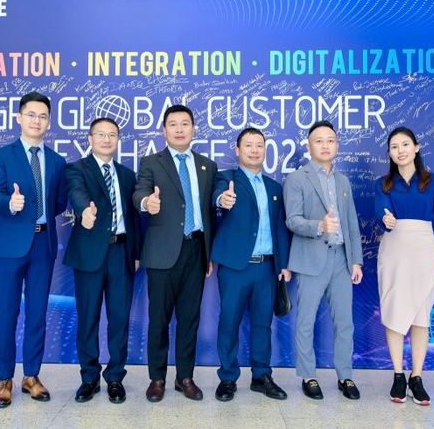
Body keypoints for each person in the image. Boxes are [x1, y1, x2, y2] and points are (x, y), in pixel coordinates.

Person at [0, 91, 68, 408]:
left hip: (43, 244)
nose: (37, 120)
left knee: (37, 313)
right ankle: (4, 378)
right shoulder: (1, 156)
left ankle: (31, 376)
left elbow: (58, 202)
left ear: (49, 122)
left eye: (43, 116)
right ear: (19, 118)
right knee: (7, 312)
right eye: (31, 115)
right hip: (10, 245)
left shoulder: (57, 161)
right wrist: (10, 202)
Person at [132, 104, 217, 402]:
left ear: (193, 129)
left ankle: (185, 377)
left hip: (196, 249)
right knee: (159, 318)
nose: (179, 129)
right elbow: (139, 192)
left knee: (189, 318)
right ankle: (157, 378)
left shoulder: (207, 165)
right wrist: (147, 203)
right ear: (164, 130)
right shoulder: (151, 162)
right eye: (173, 124)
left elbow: (209, 211)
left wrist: (208, 253)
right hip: (162, 252)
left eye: (185, 123)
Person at [283, 120, 363, 401]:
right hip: (310, 259)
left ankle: (345, 376)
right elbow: (292, 220)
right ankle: (309, 376)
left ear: (337, 145)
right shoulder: (296, 179)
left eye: (330, 140)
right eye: (319, 141)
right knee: (306, 321)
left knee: (345, 322)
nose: (325, 145)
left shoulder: (343, 181)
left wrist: (356, 260)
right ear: (309, 146)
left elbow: (351, 223)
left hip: (341, 259)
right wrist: (320, 226)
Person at [64, 117, 141, 404]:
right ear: (90, 139)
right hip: (89, 254)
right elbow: (77, 193)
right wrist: (85, 211)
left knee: (119, 318)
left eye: (112, 135)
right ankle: (89, 378)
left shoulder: (128, 175)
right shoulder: (77, 169)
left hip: (121, 253)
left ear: (118, 140)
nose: (106, 139)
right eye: (100, 134)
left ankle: (115, 377)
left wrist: (136, 253)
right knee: (88, 318)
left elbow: (135, 219)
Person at [211, 127, 291, 402]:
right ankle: (228, 378)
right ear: (238, 150)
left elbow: (280, 228)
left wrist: (283, 264)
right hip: (235, 267)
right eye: (248, 145)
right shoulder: (226, 178)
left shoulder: (275, 188)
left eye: (259, 145)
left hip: (267, 268)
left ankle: (261, 376)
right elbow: (217, 196)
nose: (254, 150)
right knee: (229, 322)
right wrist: (223, 199)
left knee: (262, 324)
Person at [375, 126, 434, 406]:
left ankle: (416, 377)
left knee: (420, 316)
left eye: (405, 144)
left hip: (424, 251)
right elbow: (381, 211)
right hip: (394, 250)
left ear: (416, 148)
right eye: (394, 147)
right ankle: (398, 375)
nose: (400, 151)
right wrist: (387, 220)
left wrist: (426, 245)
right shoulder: (383, 183)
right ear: (389, 153)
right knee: (394, 309)